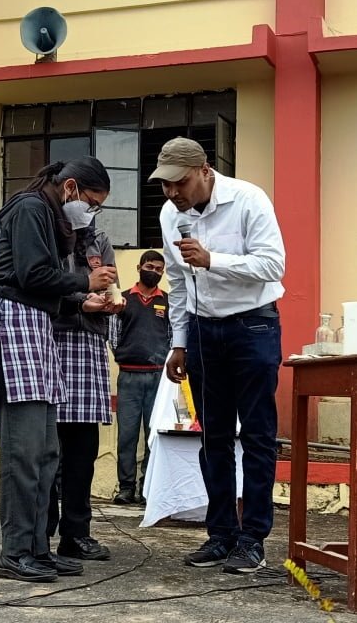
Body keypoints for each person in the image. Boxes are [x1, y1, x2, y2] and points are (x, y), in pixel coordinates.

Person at [0, 157, 116, 583]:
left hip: (37, 325)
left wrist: (80, 300)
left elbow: (43, 284)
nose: (91, 211)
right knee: (23, 450)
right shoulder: (30, 207)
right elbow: (32, 274)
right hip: (12, 322)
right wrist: (85, 284)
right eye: (91, 202)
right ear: (70, 187)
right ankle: (15, 552)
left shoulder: (51, 216)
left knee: (46, 451)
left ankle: (38, 548)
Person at [150, 137, 285, 574]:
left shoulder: (248, 199)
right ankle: (221, 534)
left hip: (253, 326)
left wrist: (214, 260)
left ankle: (253, 538)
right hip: (203, 330)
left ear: (204, 171)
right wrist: (179, 342)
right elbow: (176, 282)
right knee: (213, 438)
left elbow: (273, 265)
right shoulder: (170, 214)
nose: (173, 192)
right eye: (165, 184)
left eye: (180, 182)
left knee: (258, 435)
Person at [48, 223, 124, 562]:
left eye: (99, 202)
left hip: (90, 343)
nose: (92, 205)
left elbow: (111, 282)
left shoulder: (100, 240)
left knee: (83, 450)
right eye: (89, 199)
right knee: (46, 449)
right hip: (52, 338)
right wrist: (81, 301)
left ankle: (76, 534)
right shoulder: (47, 232)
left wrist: (110, 300)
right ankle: (40, 534)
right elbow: (42, 284)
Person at [108, 250, 170, 506]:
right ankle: (126, 487)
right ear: (139, 267)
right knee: (127, 436)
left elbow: (172, 336)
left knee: (154, 435)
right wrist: (124, 355)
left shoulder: (167, 302)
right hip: (129, 377)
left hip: (159, 378)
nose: (153, 272)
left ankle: (148, 488)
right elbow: (113, 335)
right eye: (149, 267)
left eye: (159, 269)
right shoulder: (122, 300)